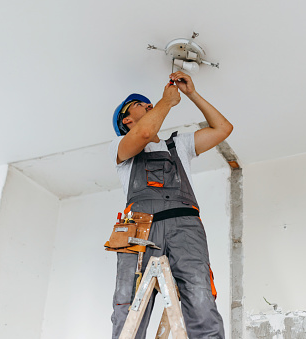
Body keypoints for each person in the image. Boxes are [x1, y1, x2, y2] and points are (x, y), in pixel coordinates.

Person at [109, 71, 232, 338]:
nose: (150, 105)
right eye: (142, 105)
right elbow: (143, 133)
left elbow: (223, 129)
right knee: (129, 303)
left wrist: (191, 94)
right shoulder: (120, 146)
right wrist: (166, 102)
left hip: (185, 225)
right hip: (139, 229)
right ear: (126, 119)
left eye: (151, 104)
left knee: (201, 297)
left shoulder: (180, 145)